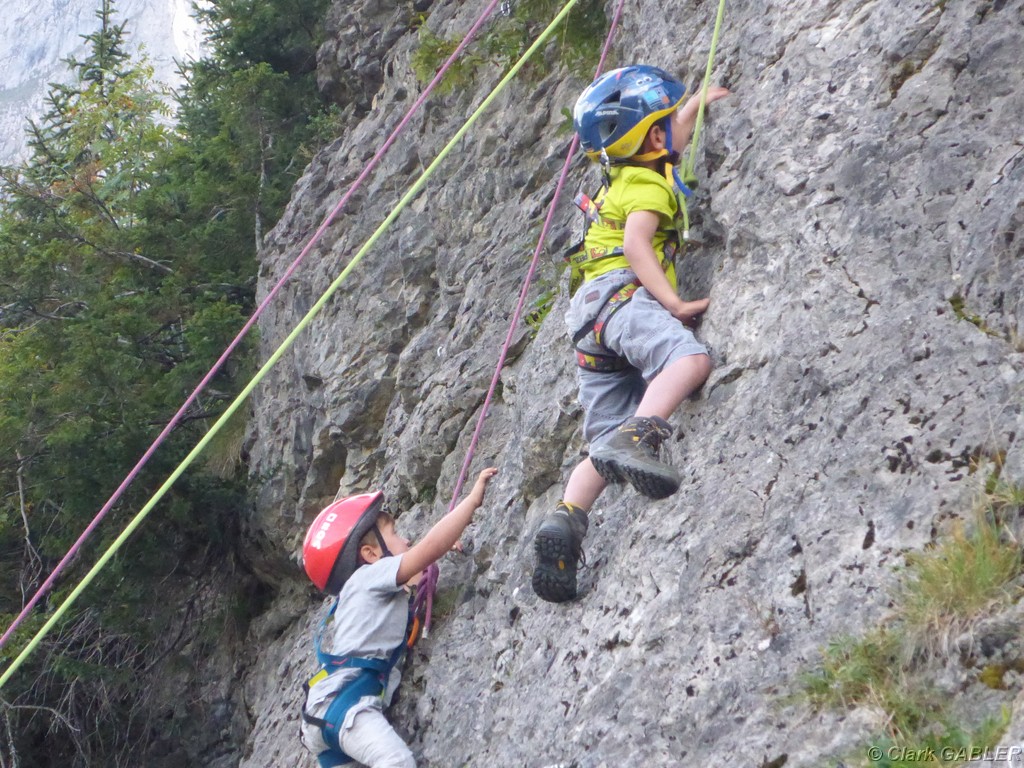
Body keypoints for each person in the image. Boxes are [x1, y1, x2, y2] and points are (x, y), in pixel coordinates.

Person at [532, 65, 729, 603]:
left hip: (587, 318)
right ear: (653, 139)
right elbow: (638, 245)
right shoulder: (648, 186)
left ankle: (566, 519)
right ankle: (642, 434)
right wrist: (674, 303)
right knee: (688, 361)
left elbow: (668, 145)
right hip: (622, 297)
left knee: (602, 445)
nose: (673, 135)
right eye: (665, 125)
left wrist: (690, 110)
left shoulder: (623, 176)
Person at [300, 467, 498, 767]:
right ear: (370, 554)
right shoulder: (370, 575)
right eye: (394, 534)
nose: (405, 540)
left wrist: (438, 554)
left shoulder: (361, 589)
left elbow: (417, 574)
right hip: (347, 707)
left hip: (325, 713)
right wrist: (472, 501)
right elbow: (428, 549)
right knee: (397, 761)